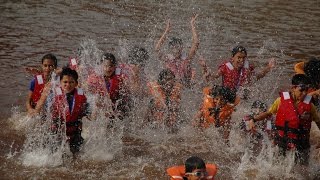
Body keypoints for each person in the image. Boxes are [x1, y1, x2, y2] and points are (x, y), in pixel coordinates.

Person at [249, 74, 320, 165]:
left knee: (303, 171)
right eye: (301, 90)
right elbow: (268, 113)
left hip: (302, 143)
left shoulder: (310, 106)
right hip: (282, 141)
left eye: (306, 90)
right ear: (293, 88)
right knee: (278, 167)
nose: (304, 93)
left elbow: (318, 122)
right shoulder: (280, 101)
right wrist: (253, 119)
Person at [35, 68, 89, 154]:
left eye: (71, 82)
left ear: (76, 83)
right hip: (58, 131)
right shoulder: (53, 94)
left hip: (74, 131)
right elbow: (45, 111)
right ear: (60, 83)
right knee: (54, 155)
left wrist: (91, 114)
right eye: (65, 82)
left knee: (77, 155)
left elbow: (86, 110)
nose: (68, 85)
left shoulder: (81, 94)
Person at [199, 45, 275, 98]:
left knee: (248, 90)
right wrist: (205, 68)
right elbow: (213, 77)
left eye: (243, 58)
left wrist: (268, 67)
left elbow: (258, 76)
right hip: (226, 95)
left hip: (241, 95)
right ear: (232, 58)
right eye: (239, 57)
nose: (241, 60)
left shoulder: (247, 68)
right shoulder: (226, 67)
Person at [155, 14, 199, 87]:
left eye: (177, 46)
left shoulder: (187, 59)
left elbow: (196, 43)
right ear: (170, 49)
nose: (175, 48)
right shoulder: (167, 59)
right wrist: (167, 30)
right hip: (172, 87)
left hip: (185, 88)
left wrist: (192, 25)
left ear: (181, 48)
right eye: (173, 46)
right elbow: (157, 49)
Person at [86, 53, 131, 118]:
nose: (108, 69)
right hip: (102, 103)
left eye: (111, 66)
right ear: (101, 66)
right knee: (96, 100)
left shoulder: (120, 76)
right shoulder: (95, 77)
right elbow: (87, 89)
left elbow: (126, 91)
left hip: (116, 102)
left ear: (115, 66)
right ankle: (93, 120)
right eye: (105, 66)